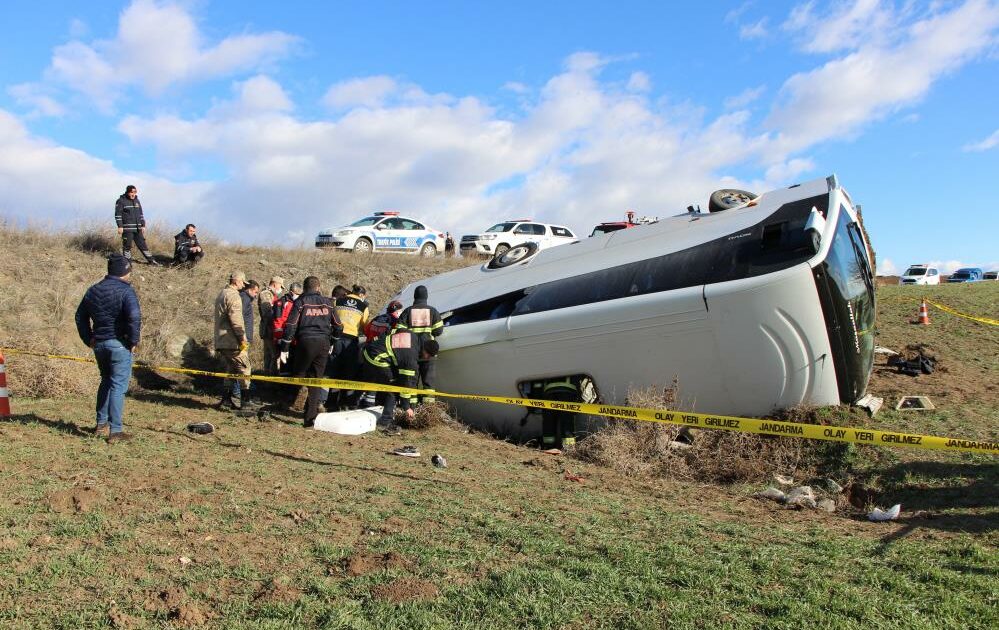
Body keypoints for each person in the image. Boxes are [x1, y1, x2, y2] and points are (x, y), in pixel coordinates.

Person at [74, 254, 141, 442]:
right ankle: (116, 431)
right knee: (118, 386)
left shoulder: (93, 290)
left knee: (105, 381)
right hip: (119, 344)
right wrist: (133, 341)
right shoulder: (126, 291)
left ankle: (101, 424)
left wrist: (89, 338)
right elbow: (134, 317)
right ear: (125, 271)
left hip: (100, 344)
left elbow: (80, 316)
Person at [278, 276, 342, 427]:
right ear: (318, 288)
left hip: (305, 342)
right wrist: (332, 341)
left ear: (305, 289)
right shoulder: (328, 302)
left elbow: (291, 324)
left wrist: (285, 347)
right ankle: (310, 418)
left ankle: (287, 403)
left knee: (299, 373)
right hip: (323, 343)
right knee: (316, 380)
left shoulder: (300, 302)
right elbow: (339, 326)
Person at [361, 328, 440, 433]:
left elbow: (393, 331)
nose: (427, 358)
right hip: (376, 357)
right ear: (426, 351)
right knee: (394, 388)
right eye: (428, 356)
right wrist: (406, 407)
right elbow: (405, 384)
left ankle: (355, 404)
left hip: (371, 347)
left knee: (394, 381)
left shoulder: (412, 335)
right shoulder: (411, 359)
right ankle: (385, 422)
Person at [396, 285, 445, 404]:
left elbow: (399, 330)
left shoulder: (408, 311)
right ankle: (428, 409)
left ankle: (412, 408)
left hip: (412, 352)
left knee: (412, 381)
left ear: (415, 296)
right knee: (429, 382)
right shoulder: (432, 311)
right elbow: (438, 331)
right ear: (426, 297)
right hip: (429, 352)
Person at [213, 271, 254, 411]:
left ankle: (226, 400)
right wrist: (242, 338)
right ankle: (246, 402)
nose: (244, 285)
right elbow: (236, 320)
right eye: (243, 282)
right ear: (236, 281)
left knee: (231, 369)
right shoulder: (233, 296)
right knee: (245, 368)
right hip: (232, 341)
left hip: (222, 339)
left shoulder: (222, 293)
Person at [327, 284, 371, 410]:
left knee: (334, 370)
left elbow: (332, 317)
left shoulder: (338, 301)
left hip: (336, 339)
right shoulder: (363, 306)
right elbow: (365, 326)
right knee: (348, 372)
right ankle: (344, 403)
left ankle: (331, 403)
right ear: (361, 295)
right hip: (351, 342)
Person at [114, 185, 159, 265]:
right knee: (127, 246)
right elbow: (118, 215)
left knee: (143, 245)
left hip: (138, 228)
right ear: (127, 192)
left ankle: (152, 261)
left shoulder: (137, 201)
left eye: (135, 192)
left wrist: (143, 225)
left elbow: (141, 214)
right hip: (127, 229)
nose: (133, 194)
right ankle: (128, 262)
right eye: (131, 192)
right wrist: (120, 226)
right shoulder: (121, 201)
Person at [231, 280, 260, 404]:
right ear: (249, 289)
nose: (256, 294)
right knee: (243, 366)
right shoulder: (243, 299)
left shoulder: (246, 299)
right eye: (255, 291)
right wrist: (242, 338)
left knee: (239, 366)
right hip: (241, 339)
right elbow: (238, 319)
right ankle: (239, 392)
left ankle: (238, 391)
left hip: (243, 338)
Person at [271, 282, 303, 372]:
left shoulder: (299, 302)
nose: (298, 296)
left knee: (295, 362)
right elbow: (278, 321)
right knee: (285, 363)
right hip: (284, 338)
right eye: (297, 294)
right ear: (292, 292)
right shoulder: (281, 302)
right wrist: (280, 338)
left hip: (295, 338)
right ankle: (283, 384)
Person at [257, 276, 285, 375]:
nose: (281, 289)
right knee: (273, 355)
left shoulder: (271, 295)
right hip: (268, 329)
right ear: (274, 284)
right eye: (280, 286)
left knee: (270, 355)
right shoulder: (266, 294)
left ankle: (268, 378)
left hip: (271, 329)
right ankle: (271, 377)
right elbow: (267, 312)